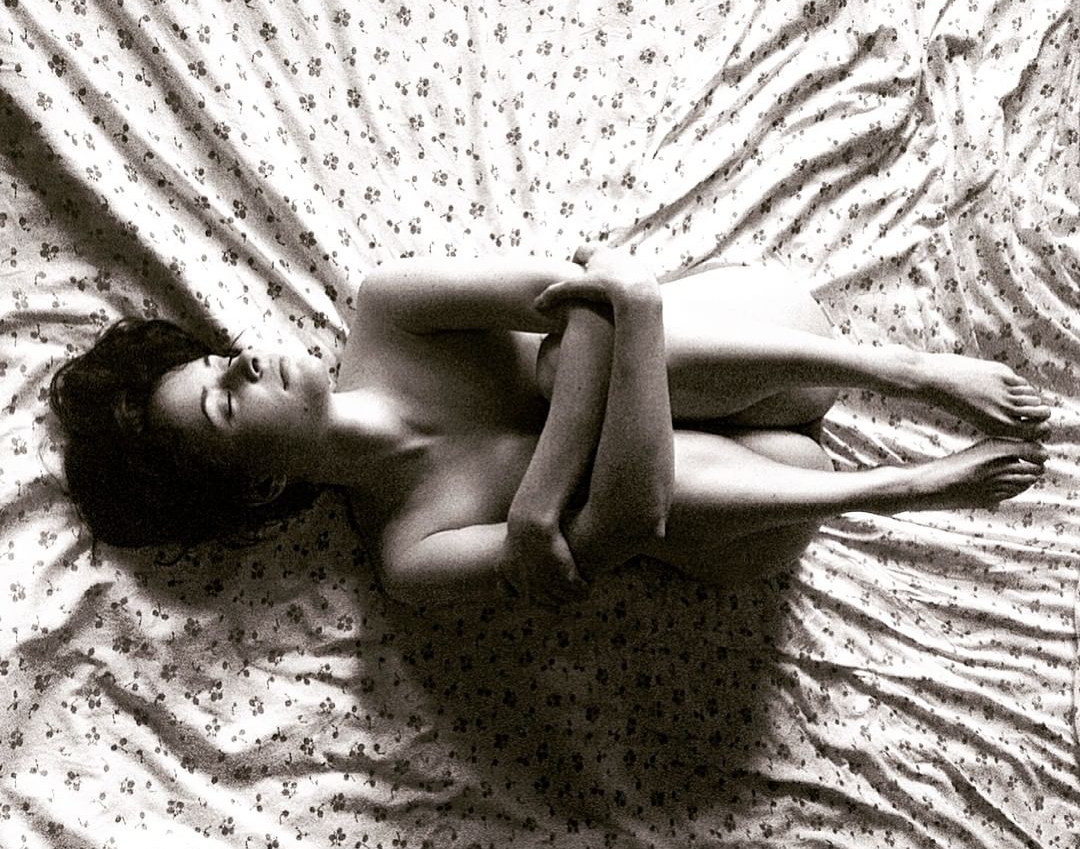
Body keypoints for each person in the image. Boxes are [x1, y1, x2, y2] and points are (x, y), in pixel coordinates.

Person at [49, 246, 1051, 606]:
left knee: (564, 357)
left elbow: (582, 297)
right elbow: (626, 526)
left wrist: (540, 504)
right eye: (226, 404)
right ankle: (899, 490)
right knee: (586, 368)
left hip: (771, 344)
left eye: (219, 361)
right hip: (767, 511)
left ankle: (903, 372)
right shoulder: (410, 554)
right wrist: (625, 310)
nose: (244, 366)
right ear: (262, 483)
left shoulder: (390, 308)